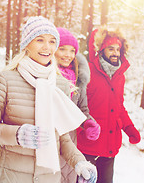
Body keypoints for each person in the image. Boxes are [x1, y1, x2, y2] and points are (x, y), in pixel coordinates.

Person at [0, 16, 97, 183]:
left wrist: (80, 163)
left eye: (51, 41)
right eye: (40, 39)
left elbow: (63, 138)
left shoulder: (61, 85)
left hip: (48, 178)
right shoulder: (5, 80)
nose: (46, 47)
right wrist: (18, 134)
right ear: (27, 44)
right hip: (12, 177)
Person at [77, 27, 141, 183]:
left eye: (117, 49)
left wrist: (129, 128)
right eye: (111, 49)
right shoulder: (88, 71)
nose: (115, 53)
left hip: (109, 148)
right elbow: (76, 105)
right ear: (101, 50)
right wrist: (83, 127)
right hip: (87, 148)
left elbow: (119, 107)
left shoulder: (119, 76)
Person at [55, 27, 100, 183]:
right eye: (62, 49)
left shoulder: (79, 79)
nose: (68, 55)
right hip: (47, 140)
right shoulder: (44, 75)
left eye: (72, 50)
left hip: (70, 143)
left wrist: (88, 123)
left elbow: (82, 109)